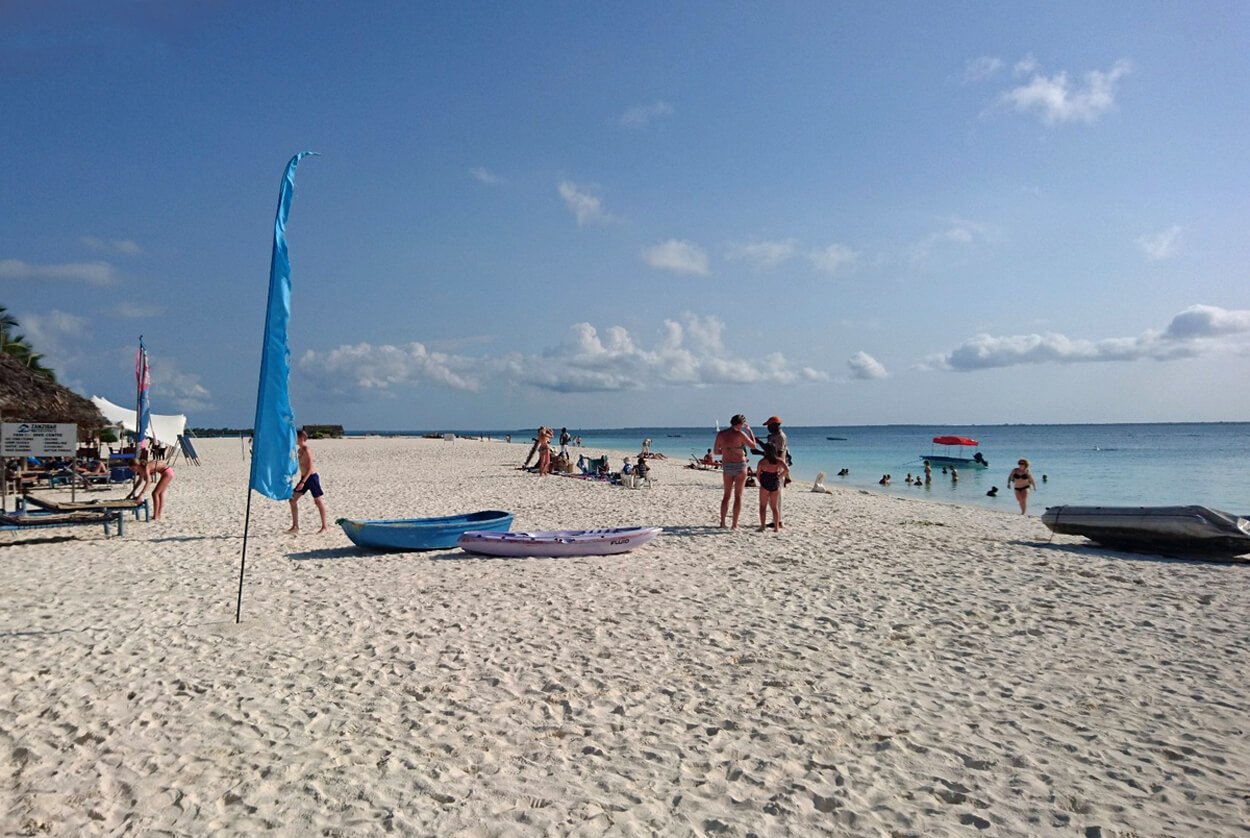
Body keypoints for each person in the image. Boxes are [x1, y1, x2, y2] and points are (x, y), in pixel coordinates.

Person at [714, 414, 758, 529]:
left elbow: (716, 451)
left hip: (727, 465)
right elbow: (753, 446)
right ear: (740, 424)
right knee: (738, 495)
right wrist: (750, 431)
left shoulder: (721, 434)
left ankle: (722, 522)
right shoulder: (740, 434)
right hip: (739, 466)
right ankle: (734, 524)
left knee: (726, 495)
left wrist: (728, 450)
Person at [288, 429, 328, 533]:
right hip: (303, 478)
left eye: (296, 437)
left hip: (311, 478)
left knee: (318, 501)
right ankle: (295, 526)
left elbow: (310, 467)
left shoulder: (306, 449)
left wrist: (303, 482)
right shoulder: (299, 450)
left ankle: (324, 527)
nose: (294, 439)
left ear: (301, 438)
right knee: (292, 500)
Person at [756, 443, 791, 531]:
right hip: (774, 482)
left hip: (765, 483)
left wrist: (761, 482)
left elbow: (758, 474)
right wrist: (780, 476)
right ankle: (776, 527)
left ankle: (763, 526)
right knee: (774, 506)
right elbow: (787, 469)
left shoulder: (762, 462)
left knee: (763, 506)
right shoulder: (779, 461)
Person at [759, 417, 790, 483]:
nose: (768, 428)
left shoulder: (780, 437)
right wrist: (759, 442)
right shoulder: (774, 435)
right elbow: (769, 449)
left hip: (777, 466)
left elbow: (778, 453)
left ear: (775, 425)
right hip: (772, 465)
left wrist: (759, 452)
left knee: (777, 487)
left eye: (769, 426)